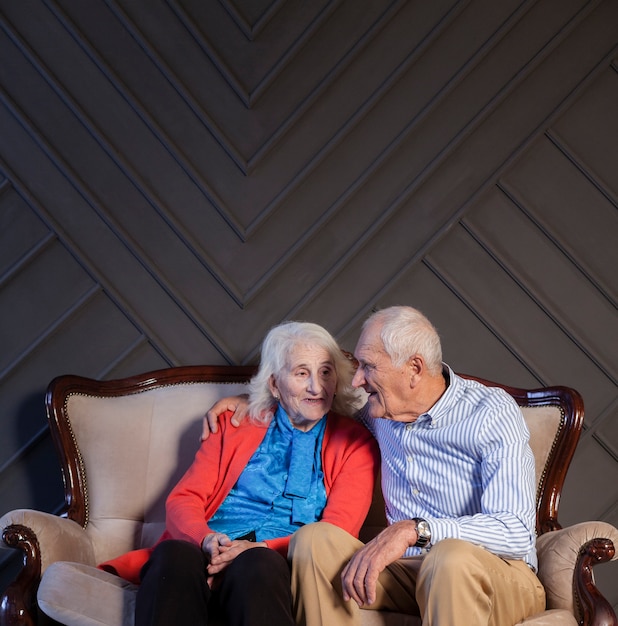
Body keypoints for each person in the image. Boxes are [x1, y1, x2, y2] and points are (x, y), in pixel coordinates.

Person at [204, 306, 546, 626]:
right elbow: (318, 413)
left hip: (496, 575)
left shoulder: (490, 412)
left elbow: (515, 531)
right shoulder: (379, 413)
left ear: (413, 369)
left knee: (450, 558)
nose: (357, 380)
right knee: (314, 539)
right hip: (404, 572)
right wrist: (256, 404)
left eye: (369, 366)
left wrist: (416, 529)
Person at [99, 321, 379, 626]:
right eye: (301, 373)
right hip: (210, 548)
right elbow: (184, 499)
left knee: (257, 564)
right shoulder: (235, 424)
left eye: (326, 372)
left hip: (279, 562)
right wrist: (206, 540)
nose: (317, 386)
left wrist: (256, 548)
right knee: (173, 556)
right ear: (274, 384)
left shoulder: (356, 443)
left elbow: (337, 533)